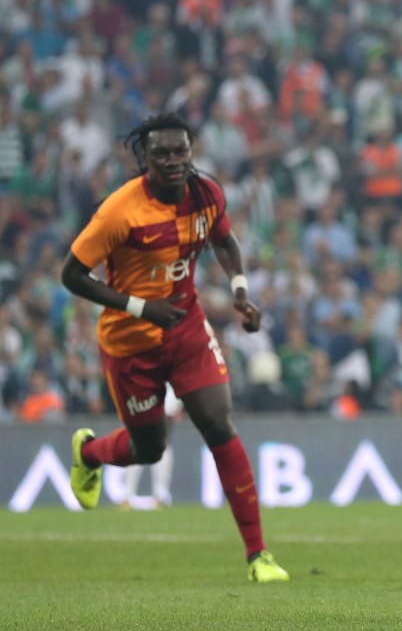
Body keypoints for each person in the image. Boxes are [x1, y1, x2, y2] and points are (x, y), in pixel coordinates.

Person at [61, 112, 288, 583]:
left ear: (191, 152)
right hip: (130, 342)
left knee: (218, 424)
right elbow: (72, 275)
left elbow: (225, 241)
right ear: (144, 158)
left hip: (186, 328)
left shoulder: (207, 194)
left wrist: (240, 291)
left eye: (180, 151)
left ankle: (259, 556)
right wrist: (140, 307)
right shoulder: (119, 211)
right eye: (161, 153)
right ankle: (91, 453)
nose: (172, 160)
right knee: (149, 448)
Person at [119, 383, 182, 510]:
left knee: (160, 440)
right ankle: (128, 495)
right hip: (145, 386)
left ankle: (160, 495)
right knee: (139, 441)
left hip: (168, 387)